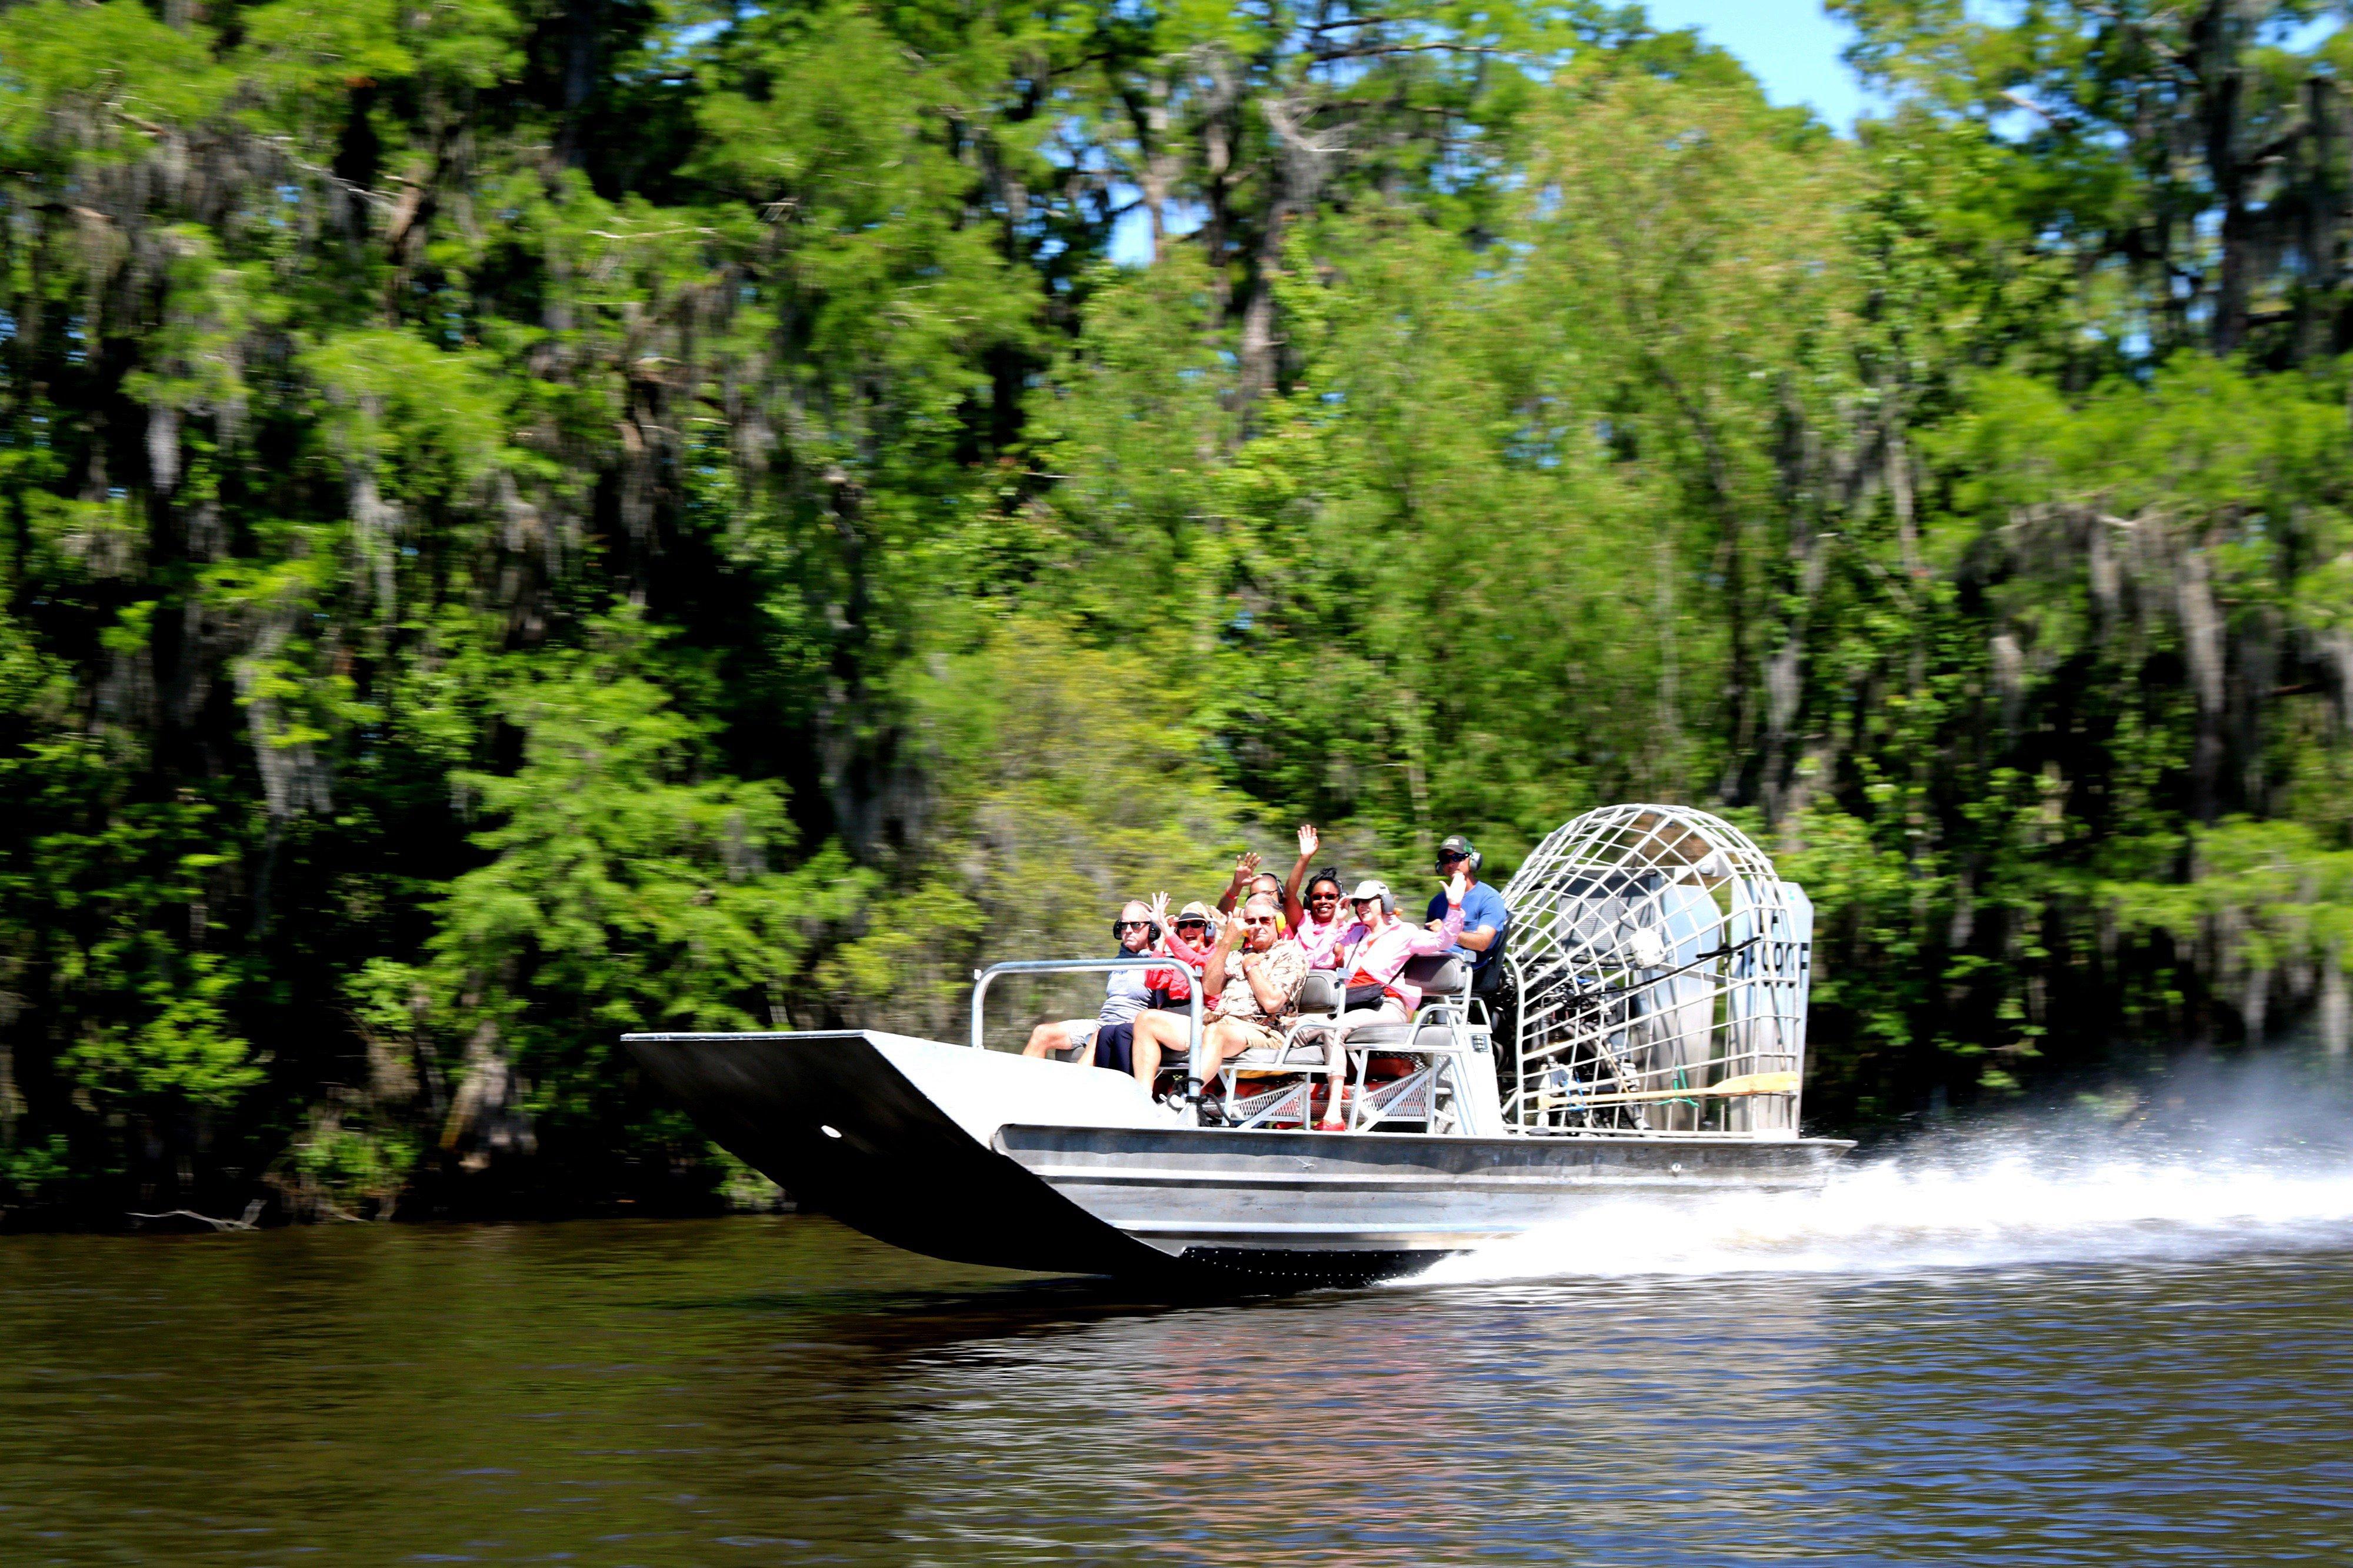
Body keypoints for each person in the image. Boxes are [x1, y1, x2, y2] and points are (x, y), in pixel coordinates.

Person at [1301, 870, 1468, 1129]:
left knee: (1335, 1029)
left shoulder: (1405, 933)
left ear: (1386, 904)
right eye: (1359, 902)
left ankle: (1333, 1113)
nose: (1362, 907)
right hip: (1351, 1003)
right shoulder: (1354, 933)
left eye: (1369, 901)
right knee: (1297, 1028)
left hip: (1387, 1005)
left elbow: (1442, 940)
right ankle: (1280, 1097)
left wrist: (1454, 907)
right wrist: (1336, 923)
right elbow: (1319, 959)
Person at [1022, 899, 1194, 1077]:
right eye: (1123, 925)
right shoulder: (1118, 960)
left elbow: (1165, 1008)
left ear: (1151, 929)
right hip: (1103, 1021)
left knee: (1100, 1036)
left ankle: (1071, 1095)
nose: (1128, 930)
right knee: (1042, 1033)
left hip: (1130, 1028)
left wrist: (1165, 932)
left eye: (1135, 925)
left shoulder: (1161, 960)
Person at [1198, 892, 1309, 1070]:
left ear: (1279, 922)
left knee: (1215, 1033)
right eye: (1250, 922)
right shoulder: (1237, 955)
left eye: (1265, 920)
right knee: (1149, 1021)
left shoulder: (1290, 953)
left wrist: (1251, 968)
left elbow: (1272, 1003)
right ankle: (1147, 1096)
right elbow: (1210, 988)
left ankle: (1191, 1095)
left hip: (1265, 1032)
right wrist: (1227, 941)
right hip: (1223, 1024)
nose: (1257, 927)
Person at [1425, 834, 1509, 996]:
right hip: (1435, 962)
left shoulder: (1490, 898)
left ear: (1473, 860)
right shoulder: (1437, 902)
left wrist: (1447, 932)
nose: (1451, 863)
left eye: (1458, 857)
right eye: (1445, 859)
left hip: (1469, 969)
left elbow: (1482, 943)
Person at [1281, 823, 1348, 969]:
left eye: (1330, 897)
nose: (1323, 901)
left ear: (1340, 900)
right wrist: (1304, 858)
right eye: (1317, 897)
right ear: (1309, 901)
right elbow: (1288, 896)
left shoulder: (1349, 932)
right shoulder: (1303, 921)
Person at [1215, 852, 1289, 930]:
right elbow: (1221, 916)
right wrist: (1236, 886)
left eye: (1266, 894)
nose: (1261, 899)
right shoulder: (1251, 918)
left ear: (1280, 894)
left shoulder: (1294, 918)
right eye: (1254, 896)